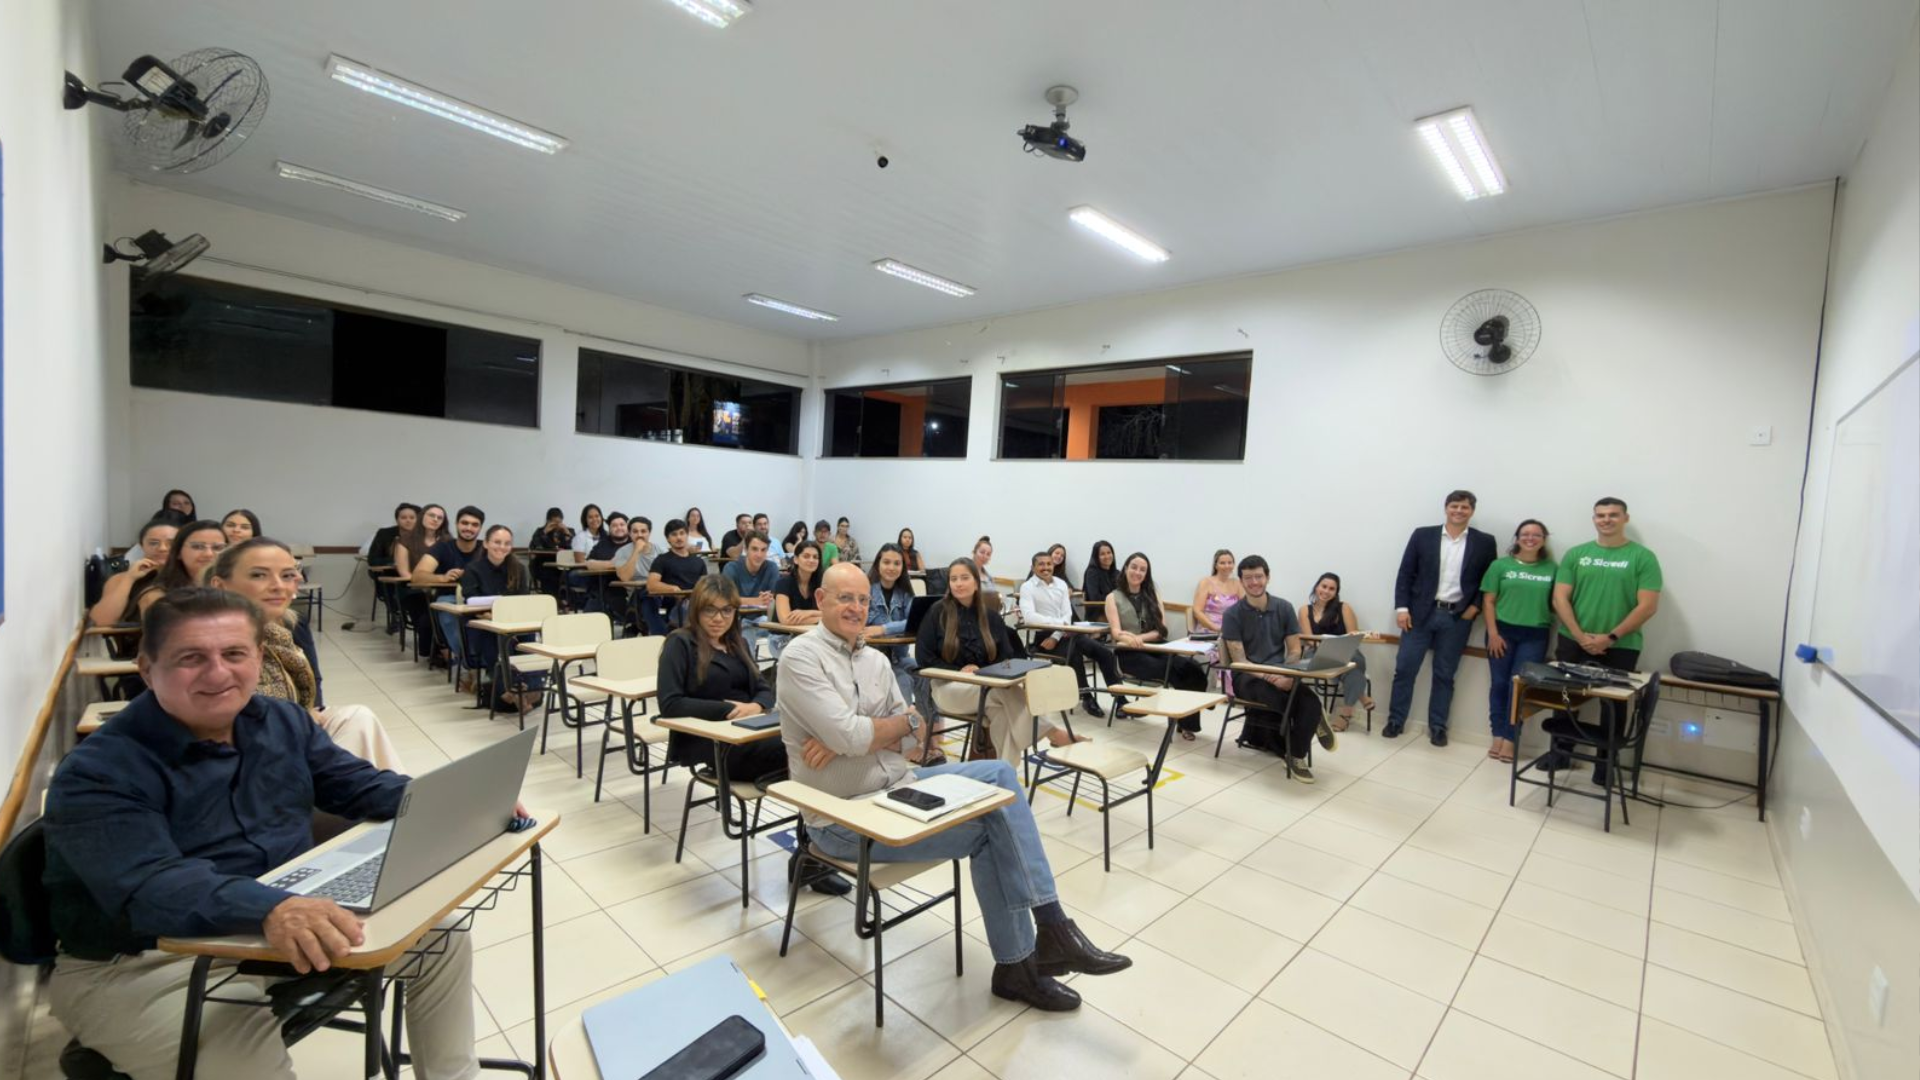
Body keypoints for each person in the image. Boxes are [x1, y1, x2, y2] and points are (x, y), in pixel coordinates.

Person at [42, 588, 482, 1079]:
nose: (218, 673)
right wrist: (270, 908)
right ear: (147, 668)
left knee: (440, 941)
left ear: (259, 657)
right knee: (247, 1059)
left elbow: (355, 784)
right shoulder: (100, 770)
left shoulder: (280, 720)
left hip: (268, 925)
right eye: (191, 658)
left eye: (235, 654)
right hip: (141, 961)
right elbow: (150, 885)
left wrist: (452, 800)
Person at [778, 562, 1131, 1011]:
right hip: (844, 815)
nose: (855, 607)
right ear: (820, 600)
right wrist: (858, 735)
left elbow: (913, 729)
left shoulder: (873, 660)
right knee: (991, 829)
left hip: (897, 784)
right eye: (844, 597)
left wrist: (862, 734)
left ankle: (1050, 931)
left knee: (1001, 779)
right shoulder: (801, 658)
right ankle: (1025, 960)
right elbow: (852, 735)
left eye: (863, 599)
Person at [659, 573, 849, 914]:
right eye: (710, 611)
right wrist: (730, 710)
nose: (719, 618)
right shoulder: (679, 643)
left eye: (727, 611)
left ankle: (810, 852)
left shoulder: (737, 644)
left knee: (817, 752)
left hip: (752, 733)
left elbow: (764, 687)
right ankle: (811, 856)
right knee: (810, 758)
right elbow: (671, 703)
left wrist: (757, 706)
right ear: (696, 611)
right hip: (713, 743)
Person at [210, 540, 407, 771]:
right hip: (245, 760)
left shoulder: (279, 631)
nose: (277, 586)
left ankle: (401, 800)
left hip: (286, 734)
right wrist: (300, 722)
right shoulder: (211, 642)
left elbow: (308, 686)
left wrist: (306, 714)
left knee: (358, 718)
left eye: (286, 575)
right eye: (258, 575)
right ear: (220, 586)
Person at [919, 558, 1084, 765]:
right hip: (948, 687)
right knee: (1000, 693)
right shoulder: (937, 612)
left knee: (1001, 712)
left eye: (964, 578)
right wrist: (960, 670)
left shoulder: (990, 617)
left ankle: (1005, 774)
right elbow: (924, 657)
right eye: (953, 579)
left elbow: (1005, 656)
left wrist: (982, 671)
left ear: (976, 582)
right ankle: (1052, 733)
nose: (958, 583)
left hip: (985, 687)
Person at [1543, 499, 1663, 783]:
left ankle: (1604, 765)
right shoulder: (1577, 554)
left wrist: (1609, 638)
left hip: (1620, 645)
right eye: (1600, 515)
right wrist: (1581, 635)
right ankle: (1560, 753)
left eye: (1613, 515)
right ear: (1594, 519)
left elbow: (1647, 606)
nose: (1606, 520)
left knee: (1614, 705)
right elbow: (1560, 598)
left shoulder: (1643, 557)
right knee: (1564, 698)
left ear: (1625, 518)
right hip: (1573, 640)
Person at [1387, 489, 1498, 746]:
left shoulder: (1484, 542)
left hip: (1457, 617)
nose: (1459, 511)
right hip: (1419, 615)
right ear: (1446, 508)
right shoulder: (1423, 535)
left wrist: (1475, 609)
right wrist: (1402, 609)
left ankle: (1438, 726)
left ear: (1472, 511)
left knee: (1445, 675)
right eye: (1455, 506)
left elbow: (1488, 581)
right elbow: (1405, 573)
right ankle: (1395, 720)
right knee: (1404, 669)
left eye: (1465, 507)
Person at [1222, 556, 1333, 781]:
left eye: (1259, 576)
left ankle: (1295, 755)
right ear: (1242, 581)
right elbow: (1240, 660)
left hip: (1281, 671)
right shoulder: (1232, 614)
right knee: (1287, 702)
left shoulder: (1284, 607)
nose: (1254, 582)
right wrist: (1271, 677)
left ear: (1268, 577)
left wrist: (1286, 674)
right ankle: (1296, 749)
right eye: (1248, 578)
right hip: (1248, 676)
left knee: (1311, 703)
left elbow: (1293, 650)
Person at [1105, 552, 1208, 736]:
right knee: (1174, 671)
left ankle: (1195, 708)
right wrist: (1128, 638)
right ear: (1126, 568)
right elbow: (1116, 632)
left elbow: (1161, 630)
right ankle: (1186, 723)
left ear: (1146, 574)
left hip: (1155, 645)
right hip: (1129, 653)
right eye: (1134, 567)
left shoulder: (1152, 594)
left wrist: (1139, 638)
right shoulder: (1113, 597)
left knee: (1192, 667)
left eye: (1143, 570)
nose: (1137, 572)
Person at [1481, 520, 1557, 764]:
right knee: (1500, 684)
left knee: (1519, 688)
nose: (1530, 538)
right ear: (1517, 538)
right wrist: (1493, 633)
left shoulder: (1553, 569)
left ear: (1544, 539)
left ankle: (1510, 739)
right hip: (1501, 632)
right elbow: (1489, 601)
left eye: (1536, 534)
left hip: (1534, 635)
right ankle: (1497, 736)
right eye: (1525, 534)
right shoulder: (1499, 565)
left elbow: (1559, 604)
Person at [1021, 550, 1116, 718]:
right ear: (1033, 567)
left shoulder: (1061, 584)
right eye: (1041, 564)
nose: (1046, 567)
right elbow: (1029, 617)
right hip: (1044, 637)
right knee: (1074, 654)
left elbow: (1067, 614)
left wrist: (1057, 634)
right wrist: (1059, 626)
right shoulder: (1027, 587)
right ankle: (1087, 697)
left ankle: (1121, 700)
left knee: (1105, 653)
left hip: (1067, 633)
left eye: (1049, 564)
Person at [460, 525, 544, 712]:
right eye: (497, 542)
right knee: (495, 642)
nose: (502, 547)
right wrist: (495, 615)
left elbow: (522, 602)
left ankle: (527, 688)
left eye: (507, 543)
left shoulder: (519, 569)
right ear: (487, 543)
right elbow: (470, 601)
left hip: (513, 622)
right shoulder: (473, 568)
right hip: (484, 624)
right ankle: (517, 690)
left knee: (530, 640)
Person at [867, 543, 931, 726]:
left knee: (927, 672)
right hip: (873, 659)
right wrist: (896, 627)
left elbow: (914, 622)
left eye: (897, 563)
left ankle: (928, 735)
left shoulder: (905, 594)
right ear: (878, 564)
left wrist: (884, 629)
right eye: (886, 562)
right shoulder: (866, 590)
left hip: (899, 657)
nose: (891, 568)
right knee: (902, 679)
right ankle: (904, 733)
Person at [415, 505, 486, 665]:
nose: (469, 528)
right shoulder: (443, 547)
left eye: (475, 525)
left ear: (481, 528)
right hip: (449, 598)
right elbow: (418, 576)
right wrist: (443, 577)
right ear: (456, 524)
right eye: (464, 523)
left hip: (480, 599)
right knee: (448, 617)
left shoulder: (486, 548)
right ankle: (471, 664)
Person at [1302, 573, 1373, 731]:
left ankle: (1346, 712)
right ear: (1317, 586)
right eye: (1324, 586)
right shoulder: (1304, 610)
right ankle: (1360, 696)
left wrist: (1339, 645)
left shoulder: (1344, 608)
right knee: (1352, 665)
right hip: (1315, 653)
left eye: (1332, 589)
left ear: (1336, 592)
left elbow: (1352, 635)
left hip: (1345, 652)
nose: (1326, 591)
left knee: (1354, 660)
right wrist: (1326, 644)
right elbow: (1308, 640)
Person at [90, 517, 178, 628]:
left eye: (171, 543)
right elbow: (101, 621)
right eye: (153, 543)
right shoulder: (121, 579)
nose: (162, 548)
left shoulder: (192, 575)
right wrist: (129, 578)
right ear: (142, 546)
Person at [393, 504, 448, 658]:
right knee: (426, 618)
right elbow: (403, 571)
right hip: (414, 589)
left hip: (442, 588)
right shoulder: (405, 540)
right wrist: (426, 582)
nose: (435, 520)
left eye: (440, 517)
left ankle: (448, 652)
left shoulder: (447, 541)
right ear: (422, 516)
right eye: (431, 515)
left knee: (446, 614)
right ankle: (432, 653)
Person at [139, 520, 230, 614]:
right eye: (198, 547)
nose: (209, 554)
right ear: (178, 552)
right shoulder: (157, 596)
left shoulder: (233, 587)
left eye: (218, 548)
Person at [721, 531, 781, 654]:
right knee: (747, 631)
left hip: (764, 621)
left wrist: (768, 598)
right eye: (754, 549)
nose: (759, 554)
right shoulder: (731, 568)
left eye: (763, 550)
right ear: (745, 549)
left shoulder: (772, 567)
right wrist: (755, 601)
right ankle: (750, 669)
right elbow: (725, 598)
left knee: (784, 635)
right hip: (735, 622)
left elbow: (773, 597)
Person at [645, 519, 708, 634]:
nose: (679, 538)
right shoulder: (661, 560)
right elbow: (651, 584)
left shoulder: (699, 561)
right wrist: (673, 589)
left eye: (682, 533)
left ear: (687, 535)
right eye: (674, 534)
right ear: (668, 539)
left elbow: (705, 585)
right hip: (673, 606)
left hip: (696, 603)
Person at [772, 541, 825, 654]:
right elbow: (786, 620)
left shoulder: (821, 585)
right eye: (806, 556)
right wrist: (821, 617)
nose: (811, 560)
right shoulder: (783, 583)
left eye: (815, 557)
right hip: (781, 638)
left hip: (810, 637)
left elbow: (831, 614)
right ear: (796, 559)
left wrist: (808, 613)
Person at [1190, 549, 1244, 635]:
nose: (1227, 566)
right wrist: (1216, 628)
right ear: (1216, 565)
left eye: (1230, 563)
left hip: (1232, 630)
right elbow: (1197, 611)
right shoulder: (1205, 582)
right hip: (1209, 631)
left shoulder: (1238, 584)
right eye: (1222, 563)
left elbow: (1244, 609)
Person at [528, 506, 575, 597]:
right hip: (544, 564)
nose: (557, 526)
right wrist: (544, 533)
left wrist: (567, 533)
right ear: (548, 521)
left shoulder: (569, 531)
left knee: (567, 574)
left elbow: (575, 547)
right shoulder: (540, 531)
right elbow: (535, 547)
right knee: (549, 574)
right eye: (554, 523)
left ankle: (565, 601)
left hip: (564, 565)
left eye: (559, 522)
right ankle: (553, 601)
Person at [1081, 541, 1119, 607]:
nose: (1107, 556)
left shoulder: (1117, 573)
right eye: (1102, 554)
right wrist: (1117, 599)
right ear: (1096, 557)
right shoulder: (1092, 572)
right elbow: (1094, 598)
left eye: (1109, 553)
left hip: (1116, 609)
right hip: (1099, 611)